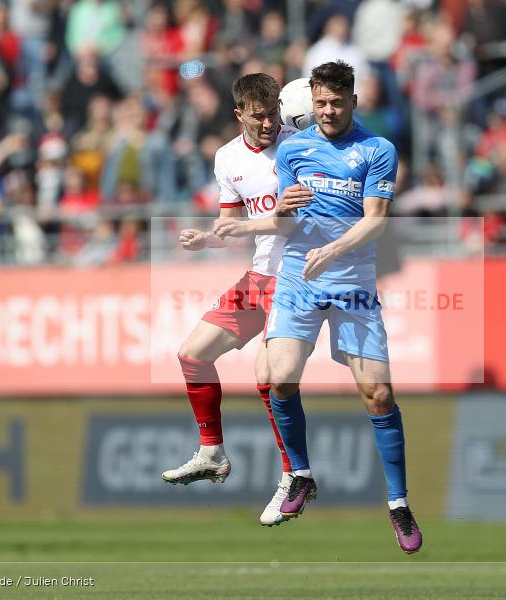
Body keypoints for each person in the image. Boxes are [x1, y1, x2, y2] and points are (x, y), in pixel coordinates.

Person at [265, 61, 422, 554]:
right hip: (299, 278)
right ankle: (300, 475)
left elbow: (376, 221)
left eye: (336, 103)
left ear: (354, 101)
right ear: (310, 103)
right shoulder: (292, 150)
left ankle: (398, 504)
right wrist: (281, 210)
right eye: (320, 103)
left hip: (352, 281)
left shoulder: (377, 150)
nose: (328, 111)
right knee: (279, 377)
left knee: (378, 394)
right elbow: (282, 225)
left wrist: (332, 250)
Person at [160, 73, 309, 527]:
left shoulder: (299, 146)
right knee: (192, 354)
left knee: (269, 376)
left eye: (272, 114)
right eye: (258, 116)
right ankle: (212, 452)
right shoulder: (227, 158)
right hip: (259, 276)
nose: (267, 124)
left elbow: (291, 222)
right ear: (239, 114)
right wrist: (206, 239)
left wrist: (239, 228)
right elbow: (230, 225)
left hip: (296, 276)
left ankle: (292, 475)